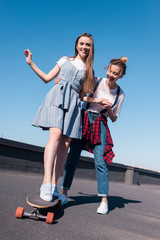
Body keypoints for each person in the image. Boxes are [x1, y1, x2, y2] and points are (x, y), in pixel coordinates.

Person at [24, 33, 95, 202]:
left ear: (91, 48)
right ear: (77, 45)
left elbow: (83, 95)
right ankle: (46, 183)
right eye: (82, 44)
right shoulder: (65, 60)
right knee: (55, 135)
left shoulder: (89, 70)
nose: (84, 47)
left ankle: (54, 186)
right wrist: (31, 63)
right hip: (58, 96)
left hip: (73, 104)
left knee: (65, 144)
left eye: (88, 45)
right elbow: (47, 78)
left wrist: (97, 100)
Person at [53, 57, 128, 214]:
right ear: (107, 69)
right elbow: (82, 96)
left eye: (115, 73)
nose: (111, 75)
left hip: (100, 122)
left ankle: (104, 201)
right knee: (72, 157)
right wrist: (97, 100)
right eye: (109, 71)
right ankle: (64, 194)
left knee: (100, 162)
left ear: (120, 75)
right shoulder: (96, 80)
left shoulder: (120, 94)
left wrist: (107, 108)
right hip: (83, 118)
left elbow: (114, 118)